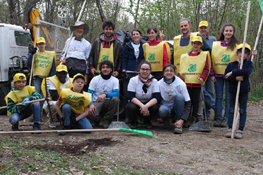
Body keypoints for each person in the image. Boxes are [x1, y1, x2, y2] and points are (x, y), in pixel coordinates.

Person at [211, 23, 241, 127]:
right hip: (218, 75)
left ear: (233, 32)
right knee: (218, 96)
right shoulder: (216, 44)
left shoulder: (238, 45)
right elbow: (211, 59)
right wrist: (212, 74)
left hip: (231, 75)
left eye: (230, 31)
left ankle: (227, 117)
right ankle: (218, 117)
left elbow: (244, 57)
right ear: (223, 32)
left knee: (229, 97)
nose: (228, 32)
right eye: (226, 30)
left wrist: (252, 55)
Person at [224, 43, 254, 139]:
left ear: (248, 55)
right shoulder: (232, 64)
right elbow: (226, 77)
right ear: (237, 53)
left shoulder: (248, 64)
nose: (242, 54)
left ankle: (240, 129)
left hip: (244, 90)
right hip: (232, 90)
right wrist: (235, 78)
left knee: (242, 110)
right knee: (231, 109)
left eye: (245, 53)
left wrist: (233, 73)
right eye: (241, 52)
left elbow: (246, 72)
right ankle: (230, 128)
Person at [179, 36, 209, 127]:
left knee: (196, 101)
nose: (196, 45)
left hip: (197, 83)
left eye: (198, 43)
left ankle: (194, 117)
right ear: (192, 44)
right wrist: (181, 80)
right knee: (187, 101)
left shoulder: (204, 55)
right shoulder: (185, 56)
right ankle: (186, 117)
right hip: (186, 83)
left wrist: (203, 78)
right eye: (194, 43)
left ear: (201, 45)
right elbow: (182, 69)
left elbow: (206, 68)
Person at [125, 61, 160, 129]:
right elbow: (130, 96)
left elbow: (157, 97)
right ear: (139, 70)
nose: (145, 71)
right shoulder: (133, 80)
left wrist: (146, 106)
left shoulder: (154, 81)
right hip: (136, 103)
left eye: (147, 69)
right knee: (130, 107)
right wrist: (142, 106)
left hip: (148, 104)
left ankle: (147, 121)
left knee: (156, 107)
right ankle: (134, 121)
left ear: (150, 71)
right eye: (143, 69)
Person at [158, 64, 191, 134]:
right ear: (163, 73)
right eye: (167, 70)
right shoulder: (159, 84)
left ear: (174, 73)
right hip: (166, 108)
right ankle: (166, 121)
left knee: (179, 96)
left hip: (178, 109)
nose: (169, 72)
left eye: (171, 71)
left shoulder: (181, 83)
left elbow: (188, 103)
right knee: (162, 110)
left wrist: (182, 119)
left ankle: (178, 123)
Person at [122, 29, 145, 123]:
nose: (135, 36)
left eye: (137, 34)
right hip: (129, 71)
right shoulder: (127, 46)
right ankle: (127, 116)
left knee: (139, 94)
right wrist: (123, 70)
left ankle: (140, 116)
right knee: (127, 94)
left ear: (140, 35)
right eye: (134, 34)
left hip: (140, 72)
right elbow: (124, 58)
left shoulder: (144, 45)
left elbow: (145, 57)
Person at [87, 60, 120, 129]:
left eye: (107, 67)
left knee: (116, 100)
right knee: (91, 113)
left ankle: (107, 120)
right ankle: (96, 120)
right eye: (103, 67)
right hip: (96, 102)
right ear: (101, 69)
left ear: (111, 69)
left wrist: (105, 95)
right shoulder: (95, 79)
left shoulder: (115, 80)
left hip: (108, 102)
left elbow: (116, 94)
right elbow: (89, 94)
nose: (105, 69)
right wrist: (91, 104)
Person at [60, 21, 91, 86]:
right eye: (77, 28)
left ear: (83, 30)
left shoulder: (87, 44)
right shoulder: (69, 41)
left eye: (81, 28)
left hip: (80, 69)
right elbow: (63, 53)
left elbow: (88, 60)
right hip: (68, 68)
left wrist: (86, 74)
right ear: (74, 29)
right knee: (67, 87)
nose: (79, 30)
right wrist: (62, 58)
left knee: (78, 88)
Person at [198, 20, 217, 120]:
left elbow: (216, 54)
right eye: (201, 28)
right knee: (202, 91)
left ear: (208, 29)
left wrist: (213, 71)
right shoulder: (196, 39)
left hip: (210, 69)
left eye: (205, 28)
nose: (203, 29)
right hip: (199, 69)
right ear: (198, 29)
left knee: (210, 91)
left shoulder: (213, 39)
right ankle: (214, 107)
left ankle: (208, 112)